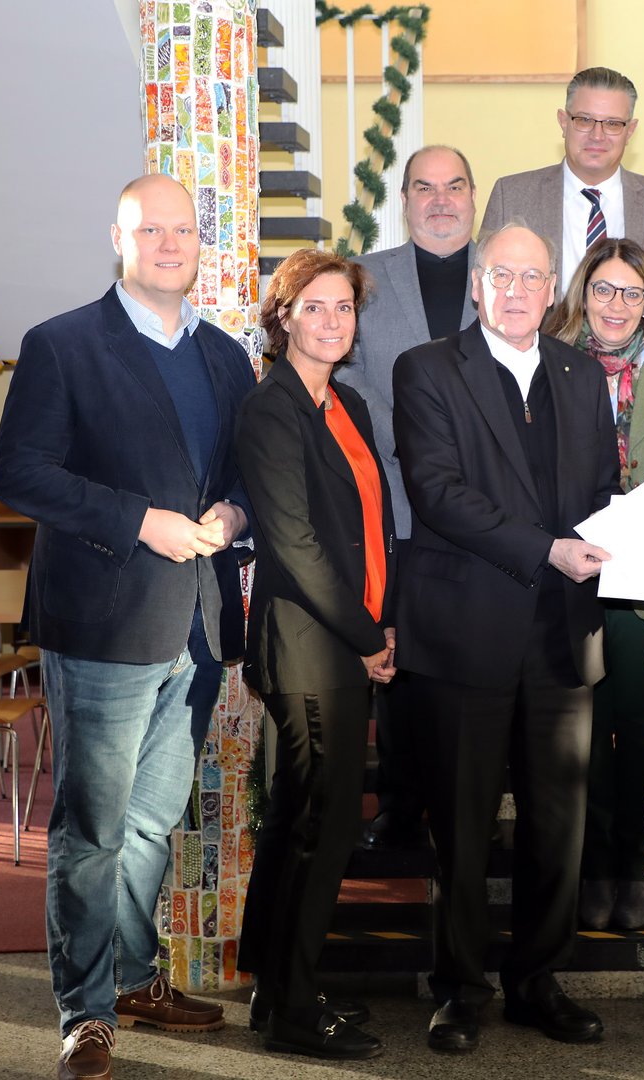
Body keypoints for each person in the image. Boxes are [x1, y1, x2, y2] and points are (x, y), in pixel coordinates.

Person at [0, 173, 256, 1080]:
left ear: (199, 242)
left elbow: (245, 473)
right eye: (150, 230)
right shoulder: (61, 344)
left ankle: (136, 979)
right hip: (103, 628)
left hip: (197, 629)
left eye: (182, 230)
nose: (169, 244)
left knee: (151, 825)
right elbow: (21, 472)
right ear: (119, 239)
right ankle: (86, 1011)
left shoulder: (224, 356)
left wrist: (234, 514)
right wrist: (139, 520)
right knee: (93, 830)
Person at [391, 224, 620, 1054]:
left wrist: (624, 538)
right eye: (501, 275)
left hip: (563, 632)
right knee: (462, 824)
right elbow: (437, 492)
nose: (517, 291)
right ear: (477, 284)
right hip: (465, 631)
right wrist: (548, 549)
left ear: (553, 287)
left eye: (532, 276)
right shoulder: (426, 368)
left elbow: (602, 489)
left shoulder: (582, 373)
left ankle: (537, 981)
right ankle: (459, 988)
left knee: (558, 824)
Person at [233, 249, 396, 1061]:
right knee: (323, 829)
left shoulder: (347, 402)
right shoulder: (271, 411)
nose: (332, 321)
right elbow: (294, 544)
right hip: (307, 645)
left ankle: (276, 989)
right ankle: (296, 1010)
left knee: (299, 817)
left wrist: (381, 621)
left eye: (344, 307)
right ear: (283, 317)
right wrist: (368, 637)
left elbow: (368, 526)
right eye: (315, 306)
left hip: (347, 637)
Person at [543, 238, 644, 933]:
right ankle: (593, 863)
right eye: (603, 289)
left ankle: (631, 861)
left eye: (632, 293)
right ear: (583, 294)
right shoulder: (547, 363)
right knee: (583, 726)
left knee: (637, 727)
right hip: (570, 575)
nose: (616, 305)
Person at [340, 144, 480, 851]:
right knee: (398, 661)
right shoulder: (366, 278)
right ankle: (398, 804)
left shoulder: (505, 272)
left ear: (473, 195)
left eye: (454, 186)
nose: (440, 200)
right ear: (404, 200)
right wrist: (415, 434)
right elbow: (347, 372)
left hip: (485, 508)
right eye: (424, 188)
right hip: (395, 499)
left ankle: (468, 806)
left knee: (473, 664)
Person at [480, 67, 644, 300]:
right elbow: (487, 295)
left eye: (612, 124)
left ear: (630, 131)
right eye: (584, 120)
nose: (597, 135)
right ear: (563, 122)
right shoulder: (510, 197)